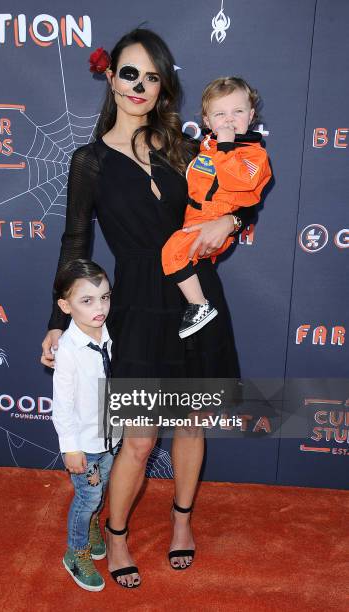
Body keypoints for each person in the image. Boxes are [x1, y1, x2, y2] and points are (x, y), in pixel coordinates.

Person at [41, 28, 255, 588]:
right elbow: (75, 244)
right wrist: (59, 321)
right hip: (136, 303)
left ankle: (182, 522)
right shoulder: (88, 161)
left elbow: (238, 200)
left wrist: (229, 221)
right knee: (138, 438)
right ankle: (115, 535)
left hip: (196, 298)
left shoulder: (188, 150)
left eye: (151, 76)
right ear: (110, 78)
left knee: (190, 424)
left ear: (163, 89)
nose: (138, 85)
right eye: (128, 72)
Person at [162, 77, 271, 339]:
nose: (229, 120)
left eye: (238, 111)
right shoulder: (205, 146)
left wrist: (226, 147)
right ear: (207, 122)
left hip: (216, 221)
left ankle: (199, 305)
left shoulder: (254, 154)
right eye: (220, 114)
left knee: (171, 251)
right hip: (195, 218)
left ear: (251, 116)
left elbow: (239, 182)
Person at [51, 259, 121, 592]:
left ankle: (93, 526)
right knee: (87, 498)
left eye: (105, 297)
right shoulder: (67, 350)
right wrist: (71, 446)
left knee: (99, 492)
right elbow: (62, 404)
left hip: (111, 438)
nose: (100, 307)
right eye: (87, 300)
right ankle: (75, 553)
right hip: (85, 444)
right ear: (65, 306)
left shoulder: (112, 335)